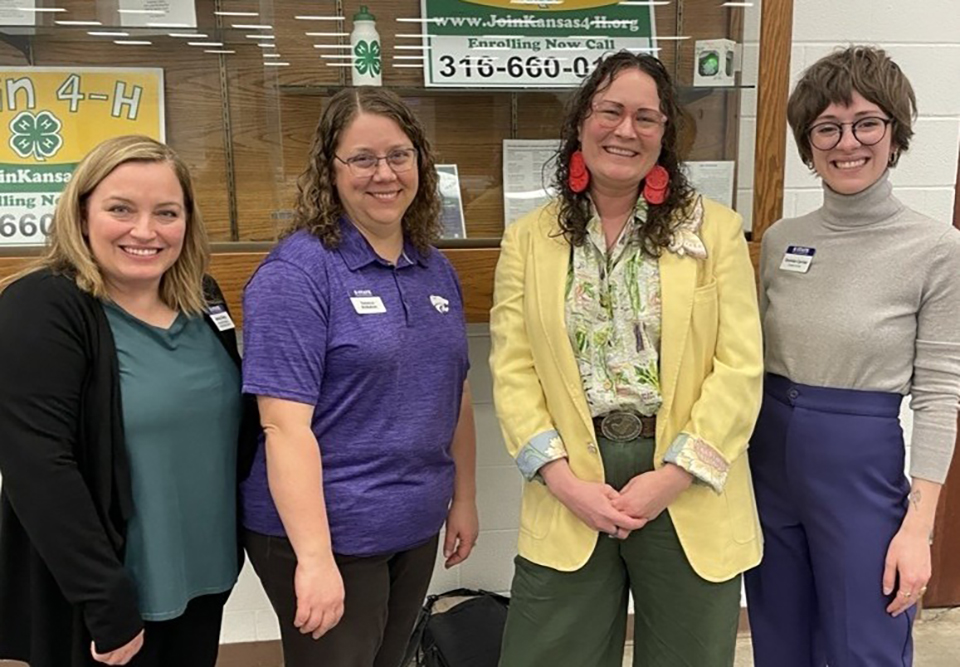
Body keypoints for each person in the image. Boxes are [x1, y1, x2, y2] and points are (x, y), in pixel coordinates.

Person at [489, 51, 764, 667]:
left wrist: (671, 478)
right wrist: (564, 482)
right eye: (610, 111)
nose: (625, 130)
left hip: (687, 482)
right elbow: (513, 369)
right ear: (581, 122)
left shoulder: (715, 232)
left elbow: (740, 368)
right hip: (570, 483)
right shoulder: (530, 238)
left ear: (665, 134)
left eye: (646, 117)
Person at [240, 87, 478, 667]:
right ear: (330, 168)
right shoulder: (296, 275)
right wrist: (315, 559)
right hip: (330, 534)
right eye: (363, 159)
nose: (384, 174)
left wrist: (464, 498)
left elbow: (456, 391)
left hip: (413, 522)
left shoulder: (434, 267)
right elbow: (282, 429)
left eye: (399, 155)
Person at [0, 135, 257, 667]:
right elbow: (37, 466)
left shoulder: (202, 297)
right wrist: (103, 598)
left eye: (167, 212)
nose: (146, 231)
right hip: (109, 597)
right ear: (82, 211)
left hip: (203, 576)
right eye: (121, 209)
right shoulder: (42, 307)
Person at [745, 46, 960, 667]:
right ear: (808, 144)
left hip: (858, 461)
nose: (848, 143)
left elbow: (942, 393)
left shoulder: (937, 249)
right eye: (827, 128)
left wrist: (918, 530)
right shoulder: (783, 239)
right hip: (768, 453)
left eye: (868, 123)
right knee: (778, 634)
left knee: (863, 640)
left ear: (895, 134)